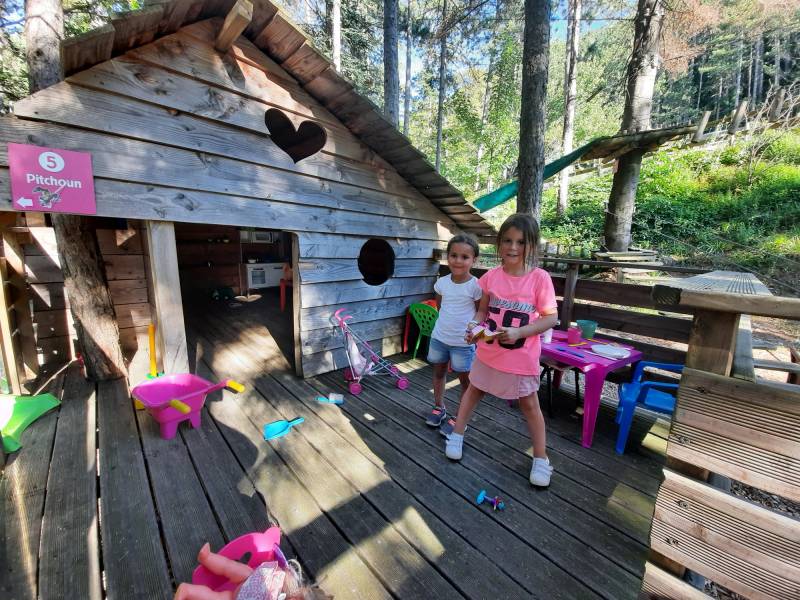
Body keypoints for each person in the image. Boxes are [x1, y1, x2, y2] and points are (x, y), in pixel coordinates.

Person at [445, 214, 559, 488]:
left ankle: (541, 458)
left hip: (520, 356)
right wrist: (474, 328)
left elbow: (550, 318)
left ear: (532, 245)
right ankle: (457, 434)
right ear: (498, 243)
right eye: (507, 240)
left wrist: (521, 332)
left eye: (521, 241)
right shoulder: (490, 277)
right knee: (473, 390)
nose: (513, 247)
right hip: (488, 351)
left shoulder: (539, 278)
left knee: (530, 404)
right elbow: (483, 310)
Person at [425, 234, 482, 435]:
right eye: (453, 255)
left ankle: (461, 418)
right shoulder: (441, 283)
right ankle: (439, 407)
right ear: (447, 257)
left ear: (474, 260)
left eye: (464, 257)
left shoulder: (476, 286)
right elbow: (440, 307)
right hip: (439, 338)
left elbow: (479, 312)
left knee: (465, 381)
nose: (458, 261)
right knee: (439, 372)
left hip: (463, 344)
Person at [174, 542, 331, 600]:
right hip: (249, 584)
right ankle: (204, 561)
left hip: (248, 583)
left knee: (228, 569)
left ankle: (189, 587)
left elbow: (283, 569)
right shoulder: (288, 588)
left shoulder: (289, 586)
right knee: (227, 572)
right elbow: (284, 570)